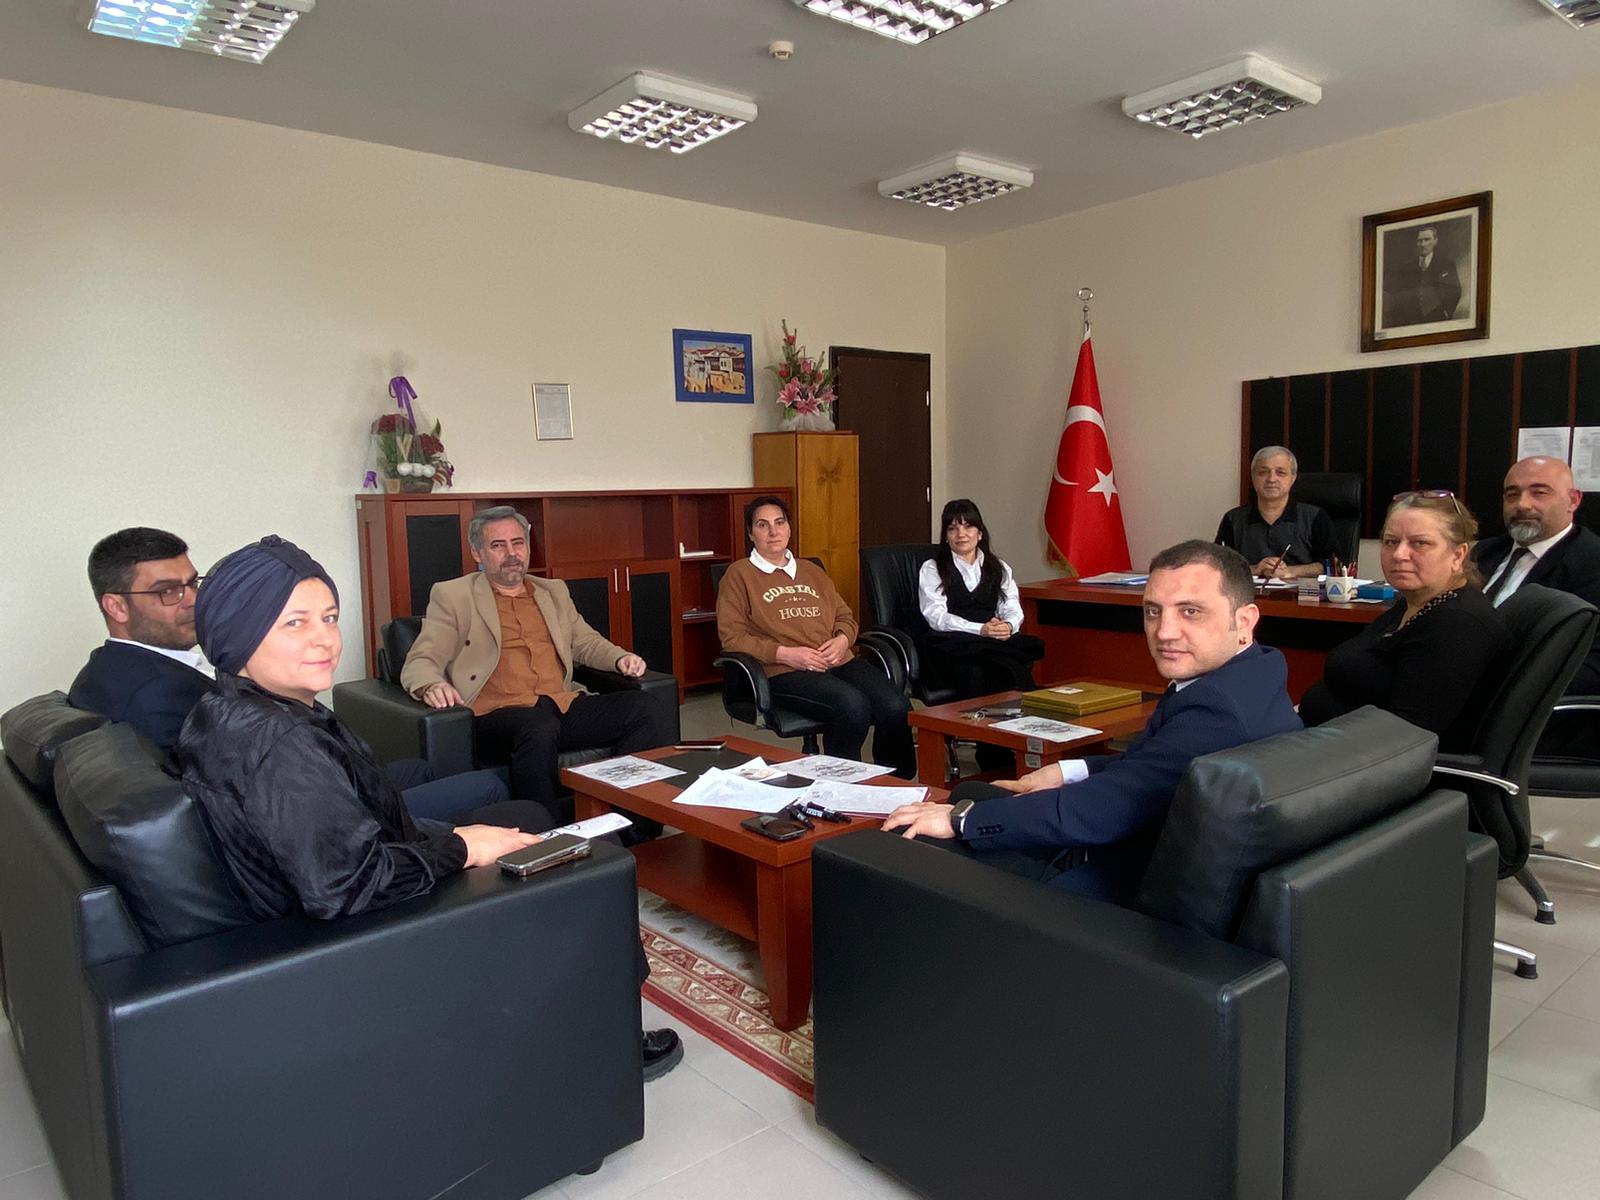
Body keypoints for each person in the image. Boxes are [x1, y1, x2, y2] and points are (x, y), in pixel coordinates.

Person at [174, 535, 682, 1079]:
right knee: (584, 865)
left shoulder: (244, 708)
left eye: (329, 618)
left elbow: (339, 843)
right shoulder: (278, 744)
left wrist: (446, 837)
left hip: (379, 866)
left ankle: (600, 981)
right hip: (373, 931)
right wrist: (462, 847)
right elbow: (346, 885)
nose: (324, 639)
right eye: (293, 623)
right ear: (238, 632)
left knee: (536, 820)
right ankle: (612, 1040)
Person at [883, 541, 1301, 904]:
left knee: (919, 837)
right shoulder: (1253, 674)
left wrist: (961, 821)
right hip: (1142, 841)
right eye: (1153, 611)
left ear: (1244, 621)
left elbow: (1102, 810)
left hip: (1126, 890)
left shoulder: (1217, 710)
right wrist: (1066, 771)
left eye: (1190, 611)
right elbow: (1155, 768)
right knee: (971, 791)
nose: (1165, 632)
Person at [68, 527, 509, 823]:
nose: (191, 601)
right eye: (168, 592)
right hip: (313, 811)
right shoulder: (152, 697)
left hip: (310, 786)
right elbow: (261, 795)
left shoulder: (110, 670)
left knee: (419, 768)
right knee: (490, 788)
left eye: (193, 583)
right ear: (116, 606)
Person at [400, 506, 669, 825]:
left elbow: (584, 641)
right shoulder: (454, 596)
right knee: (537, 726)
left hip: (560, 706)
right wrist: (431, 684)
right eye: (498, 545)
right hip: (497, 715)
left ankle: (630, 824)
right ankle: (548, 835)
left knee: (645, 707)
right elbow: (422, 658)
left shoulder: (552, 591)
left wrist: (619, 658)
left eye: (518, 543)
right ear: (477, 553)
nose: (511, 553)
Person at [717, 495, 914, 777]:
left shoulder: (811, 570)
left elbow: (845, 617)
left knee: (896, 706)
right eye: (762, 525)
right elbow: (733, 638)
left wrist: (843, 640)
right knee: (851, 706)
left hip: (837, 660)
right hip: (784, 670)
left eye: (779, 522)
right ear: (750, 533)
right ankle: (842, 785)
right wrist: (785, 654)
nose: (773, 532)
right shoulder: (739, 575)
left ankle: (898, 784)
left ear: (789, 528)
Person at [1300, 492, 1508, 751]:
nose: (1399, 554)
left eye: (1419, 543)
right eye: (1391, 542)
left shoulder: (1459, 625)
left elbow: (1406, 738)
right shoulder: (1413, 602)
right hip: (1329, 745)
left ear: (1457, 556)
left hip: (1364, 765)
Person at [1472, 456, 1600, 755]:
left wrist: (1495, 687)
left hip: (1533, 719)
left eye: (1539, 493)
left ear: (1573, 500)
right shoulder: (1483, 553)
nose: (1522, 504)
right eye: (1512, 494)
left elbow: (1591, 666)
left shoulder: (1591, 564)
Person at [917, 498, 1044, 770]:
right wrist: (980, 629)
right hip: (951, 643)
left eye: (968, 526)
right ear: (945, 536)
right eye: (952, 528)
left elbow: (1012, 606)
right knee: (977, 672)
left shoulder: (999, 567)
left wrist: (1008, 626)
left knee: (1010, 670)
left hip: (990, 640)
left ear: (980, 533)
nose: (961, 534)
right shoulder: (933, 568)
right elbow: (936, 617)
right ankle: (990, 752)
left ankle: (1021, 746)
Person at [1214, 446, 1336, 580]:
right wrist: (1255, 569)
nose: (1271, 479)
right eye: (1263, 472)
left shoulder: (1315, 517)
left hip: (1301, 592)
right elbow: (1217, 566)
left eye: (1280, 472)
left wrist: (1289, 571)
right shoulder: (1233, 519)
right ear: (1253, 477)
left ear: (1293, 478)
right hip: (1248, 592)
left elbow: (1332, 565)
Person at [1385, 226, 1462, 328]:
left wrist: (1447, 312)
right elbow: (1398, 294)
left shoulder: (1446, 264)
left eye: (1427, 239)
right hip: (1410, 321)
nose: (1423, 244)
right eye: (1419, 241)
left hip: (1437, 319)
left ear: (1435, 241)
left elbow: (1455, 290)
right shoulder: (1407, 268)